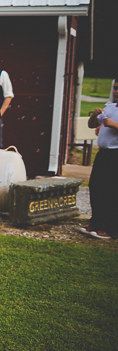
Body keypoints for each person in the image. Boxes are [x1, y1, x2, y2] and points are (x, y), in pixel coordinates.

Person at [79, 79, 118, 239]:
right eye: (115, 88)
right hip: (103, 154)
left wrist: (113, 125)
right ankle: (96, 222)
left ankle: (111, 228)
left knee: (111, 191)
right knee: (96, 187)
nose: (117, 91)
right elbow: (90, 125)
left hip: (115, 154)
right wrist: (95, 116)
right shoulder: (109, 107)